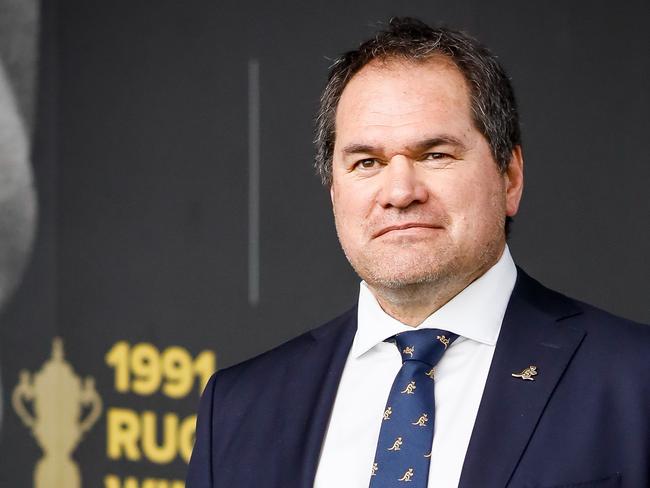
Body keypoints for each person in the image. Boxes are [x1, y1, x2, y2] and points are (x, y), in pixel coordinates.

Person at [186, 18, 649, 488]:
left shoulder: (636, 381)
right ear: (333, 192)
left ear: (509, 177)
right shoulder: (237, 407)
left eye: (435, 155)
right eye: (367, 162)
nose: (400, 192)